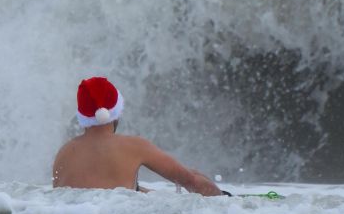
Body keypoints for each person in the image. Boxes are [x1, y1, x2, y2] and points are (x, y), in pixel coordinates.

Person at [52, 76, 224, 196]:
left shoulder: (64, 153)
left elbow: (100, 191)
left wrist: (155, 195)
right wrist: (226, 200)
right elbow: (191, 181)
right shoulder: (134, 146)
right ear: (116, 112)